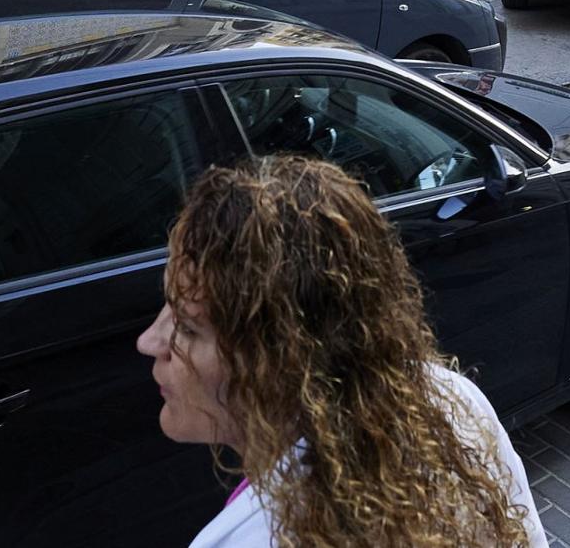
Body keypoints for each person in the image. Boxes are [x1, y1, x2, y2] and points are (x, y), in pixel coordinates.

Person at [137, 154, 548, 548]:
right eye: (168, 304)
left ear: (281, 362)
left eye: (188, 328)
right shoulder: (451, 398)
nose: (149, 341)